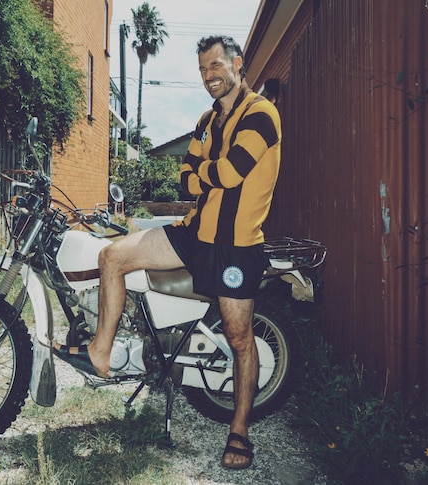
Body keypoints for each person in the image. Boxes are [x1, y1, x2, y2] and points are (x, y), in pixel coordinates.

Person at [54, 35, 282, 470]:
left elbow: (231, 174)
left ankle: (239, 430)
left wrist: (204, 175)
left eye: (215, 65)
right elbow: (185, 179)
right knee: (112, 256)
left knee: (239, 339)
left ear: (237, 63)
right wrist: (203, 176)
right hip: (194, 233)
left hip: (235, 247)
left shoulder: (263, 114)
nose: (208, 76)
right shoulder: (205, 120)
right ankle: (101, 354)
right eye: (202, 69)